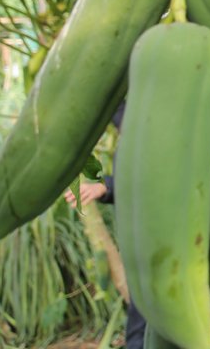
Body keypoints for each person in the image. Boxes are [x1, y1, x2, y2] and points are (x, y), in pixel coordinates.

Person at [64, 105, 147, 349]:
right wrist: (105, 187)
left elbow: (153, 180)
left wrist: (105, 187)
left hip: (165, 245)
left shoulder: (156, 138)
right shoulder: (128, 146)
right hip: (140, 246)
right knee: (142, 320)